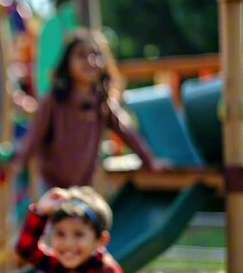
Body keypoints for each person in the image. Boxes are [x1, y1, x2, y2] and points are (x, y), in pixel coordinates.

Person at [11, 29, 163, 193]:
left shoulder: (101, 103)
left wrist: (150, 161)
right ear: (67, 62)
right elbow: (35, 135)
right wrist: (18, 163)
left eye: (95, 55)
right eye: (81, 55)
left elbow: (128, 132)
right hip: (52, 183)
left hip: (84, 184)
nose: (90, 61)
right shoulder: (54, 100)